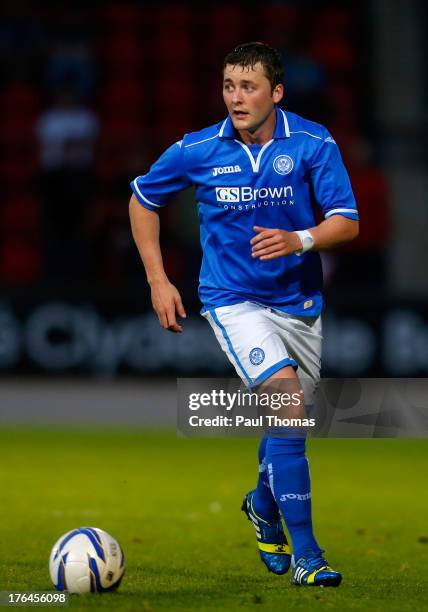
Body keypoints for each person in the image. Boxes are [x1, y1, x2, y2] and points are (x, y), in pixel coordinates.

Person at [129, 42, 359, 588]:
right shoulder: (198, 148)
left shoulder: (310, 142)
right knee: (286, 406)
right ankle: (308, 555)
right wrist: (159, 280)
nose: (236, 97)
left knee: (288, 423)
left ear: (276, 93)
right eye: (229, 86)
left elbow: (347, 222)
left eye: (248, 86)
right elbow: (143, 200)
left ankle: (262, 502)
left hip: (299, 305)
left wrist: (300, 239)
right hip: (232, 300)